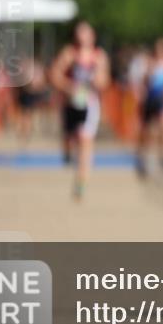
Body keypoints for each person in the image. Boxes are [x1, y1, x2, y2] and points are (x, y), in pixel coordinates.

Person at [50, 21, 111, 200]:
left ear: (92, 36)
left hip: (89, 104)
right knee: (70, 140)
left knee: (85, 140)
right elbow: (54, 74)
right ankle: (68, 153)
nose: (82, 36)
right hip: (70, 103)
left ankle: (81, 182)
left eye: (86, 33)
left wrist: (96, 82)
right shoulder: (69, 54)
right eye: (79, 33)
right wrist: (69, 86)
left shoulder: (99, 56)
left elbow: (105, 81)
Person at [136, 37, 163, 178]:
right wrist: (150, 74)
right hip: (150, 100)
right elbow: (144, 82)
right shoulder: (150, 63)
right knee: (147, 131)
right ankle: (143, 157)